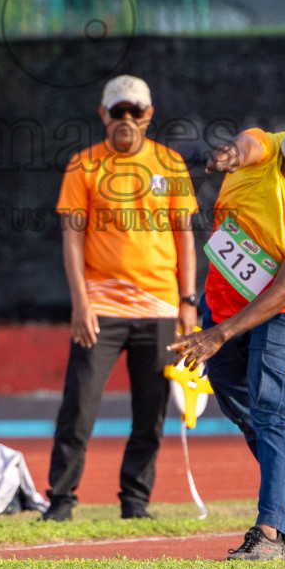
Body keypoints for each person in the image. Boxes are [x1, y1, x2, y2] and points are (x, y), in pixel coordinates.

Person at [170, 100, 285, 562]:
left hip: (283, 312)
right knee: (238, 402)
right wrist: (229, 154)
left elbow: (283, 291)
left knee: (273, 412)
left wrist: (217, 335)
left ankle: (269, 534)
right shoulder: (269, 147)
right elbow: (247, 144)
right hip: (224, 302)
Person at [41, 75, 198, 523]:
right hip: (100, 309)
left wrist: (188, 302)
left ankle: (135, 502)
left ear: (149, 115)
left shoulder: (170, 165)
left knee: (150, 414)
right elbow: (71, 240)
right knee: (79, 408)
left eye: (134, 111)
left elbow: (184, 237)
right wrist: (80, 303)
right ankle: (61, 501)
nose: (125, 119)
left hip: (161, 308)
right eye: (117, 111)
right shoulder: (83, 165)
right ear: (103, 116)